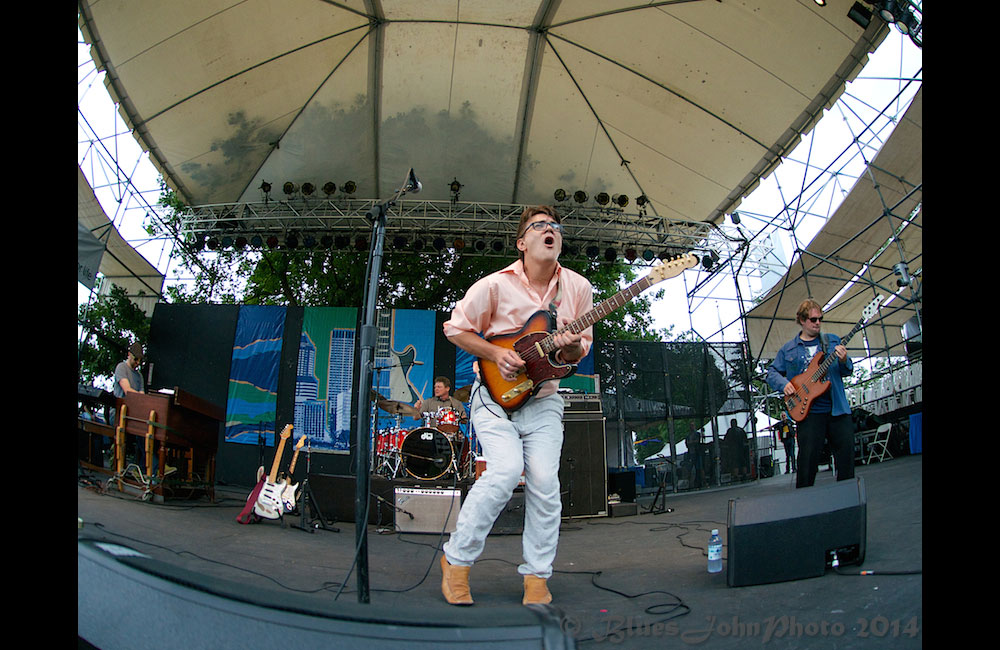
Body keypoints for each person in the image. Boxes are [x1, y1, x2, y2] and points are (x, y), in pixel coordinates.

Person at [438, 205, 594, 607]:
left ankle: (537, 577)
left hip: (544, 401)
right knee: (504, 472)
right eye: (539, 226)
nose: (550, 231)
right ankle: (456, 562)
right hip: (492, 397)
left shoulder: (578, 288)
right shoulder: (493, 285)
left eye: (555, 227)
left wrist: (573, 346)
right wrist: (494, 352)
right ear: (522, 242)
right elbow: (455, 328)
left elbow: (577, 352)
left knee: (545, 484)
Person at [767, 299, 854, 488]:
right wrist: (784, 385)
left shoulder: (831, 341)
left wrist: (844, 359)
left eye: (820, 319)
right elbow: (772, 373)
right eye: (813, 319)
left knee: (846, 455)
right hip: (809, 412)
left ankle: (848, 497)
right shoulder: (788, 349)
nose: (817, 323)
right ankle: (804, 501)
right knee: (807, 461)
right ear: (802, 320)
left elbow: (847, 371)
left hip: (836, 408)